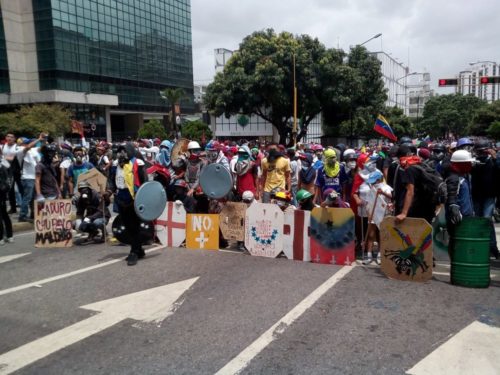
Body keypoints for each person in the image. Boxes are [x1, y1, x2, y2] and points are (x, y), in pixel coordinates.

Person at [107, 143, 147, 266]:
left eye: (124, 151)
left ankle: (134, 252)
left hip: (133, 199)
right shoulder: (115, 165)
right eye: (119, 151)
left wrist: (142, 197)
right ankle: (139, 250)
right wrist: (109, 191)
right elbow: (112, 180)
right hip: (120, 199)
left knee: (134, 226)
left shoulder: (137, 164)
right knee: (128, 226)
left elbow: (144, 181)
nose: (121, 153)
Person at [471, 140, 499, 258]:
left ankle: (492, 248)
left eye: (484, 151)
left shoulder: (494, 161)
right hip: (476, 195)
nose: (482, 154)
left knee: (487, 220)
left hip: (489, 195)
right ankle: (479, 247)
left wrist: (494, 157)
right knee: (478, 220)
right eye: (479, 151)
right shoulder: (474, 162)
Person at [445, 150, 475, 258]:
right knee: (456, 244)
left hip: (466, 217)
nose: (471, 164)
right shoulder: (454, 178)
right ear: (461, 164)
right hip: (458, 220)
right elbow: (451, 196)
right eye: (468, 162)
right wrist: (454, 208)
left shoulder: (465, 176)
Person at [17, 137, 43, 223]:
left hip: (35, 177)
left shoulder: (33, 150)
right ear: (22, 144)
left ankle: (34, 214)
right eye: (26, 142)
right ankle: (22, 215)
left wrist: (44, 140)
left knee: (34, 198)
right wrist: (39, 139)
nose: (29, 144)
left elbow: (41, 148)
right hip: (27, 177)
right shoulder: (20, 150)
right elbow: (27, 147)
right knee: (27, 198)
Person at [1, 133, 23, 213]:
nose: (9, 138)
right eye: (8, 136)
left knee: (22, 189)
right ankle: (13, 208)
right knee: (10, 190)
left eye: (11, 137)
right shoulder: (3, 147)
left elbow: (11, 158)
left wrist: (3, 157)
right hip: (7, 171)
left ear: (14, 139)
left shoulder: (17, 147)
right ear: (6, 137)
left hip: (17, 171)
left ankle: (24, 207)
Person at [0, 152, 13, 244]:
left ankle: (8, 235)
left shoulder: (3, 162)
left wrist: (6, 189)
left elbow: (10, 177)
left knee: (3, 214)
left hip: (1, 192)